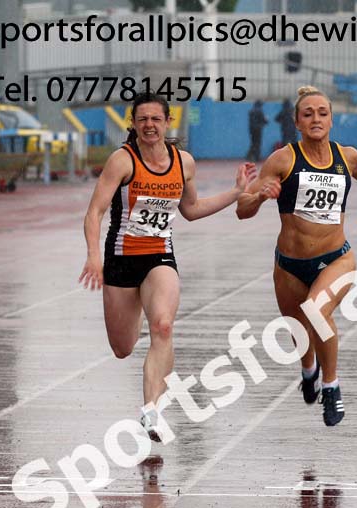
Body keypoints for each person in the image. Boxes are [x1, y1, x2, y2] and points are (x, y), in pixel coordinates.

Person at [79, 92, 256, 440]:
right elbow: (95, 212)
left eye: (156, 119)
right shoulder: (122, 160)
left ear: (167, 122)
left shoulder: (184, 163)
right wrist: (93, 256)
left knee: (162, 326)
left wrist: (236, 192)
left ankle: (151, 410)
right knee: (123, 348)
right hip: (121, 258)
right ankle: (137, 314)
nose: (149, 125)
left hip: (159, 256)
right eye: (142, 119)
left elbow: (191, 209)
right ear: (133, 124)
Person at [236, 86, 357, 426]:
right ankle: (308, 371)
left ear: (331, 120)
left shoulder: (346, 157)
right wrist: (259, 197)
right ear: (297, 122)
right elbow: (243, 209)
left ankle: (331, 386)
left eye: (322, 113)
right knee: (299, 329)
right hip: (289, 266)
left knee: (317, 312)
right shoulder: (283, 159)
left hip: (336, 259)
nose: (315, 119)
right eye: (308, 114)